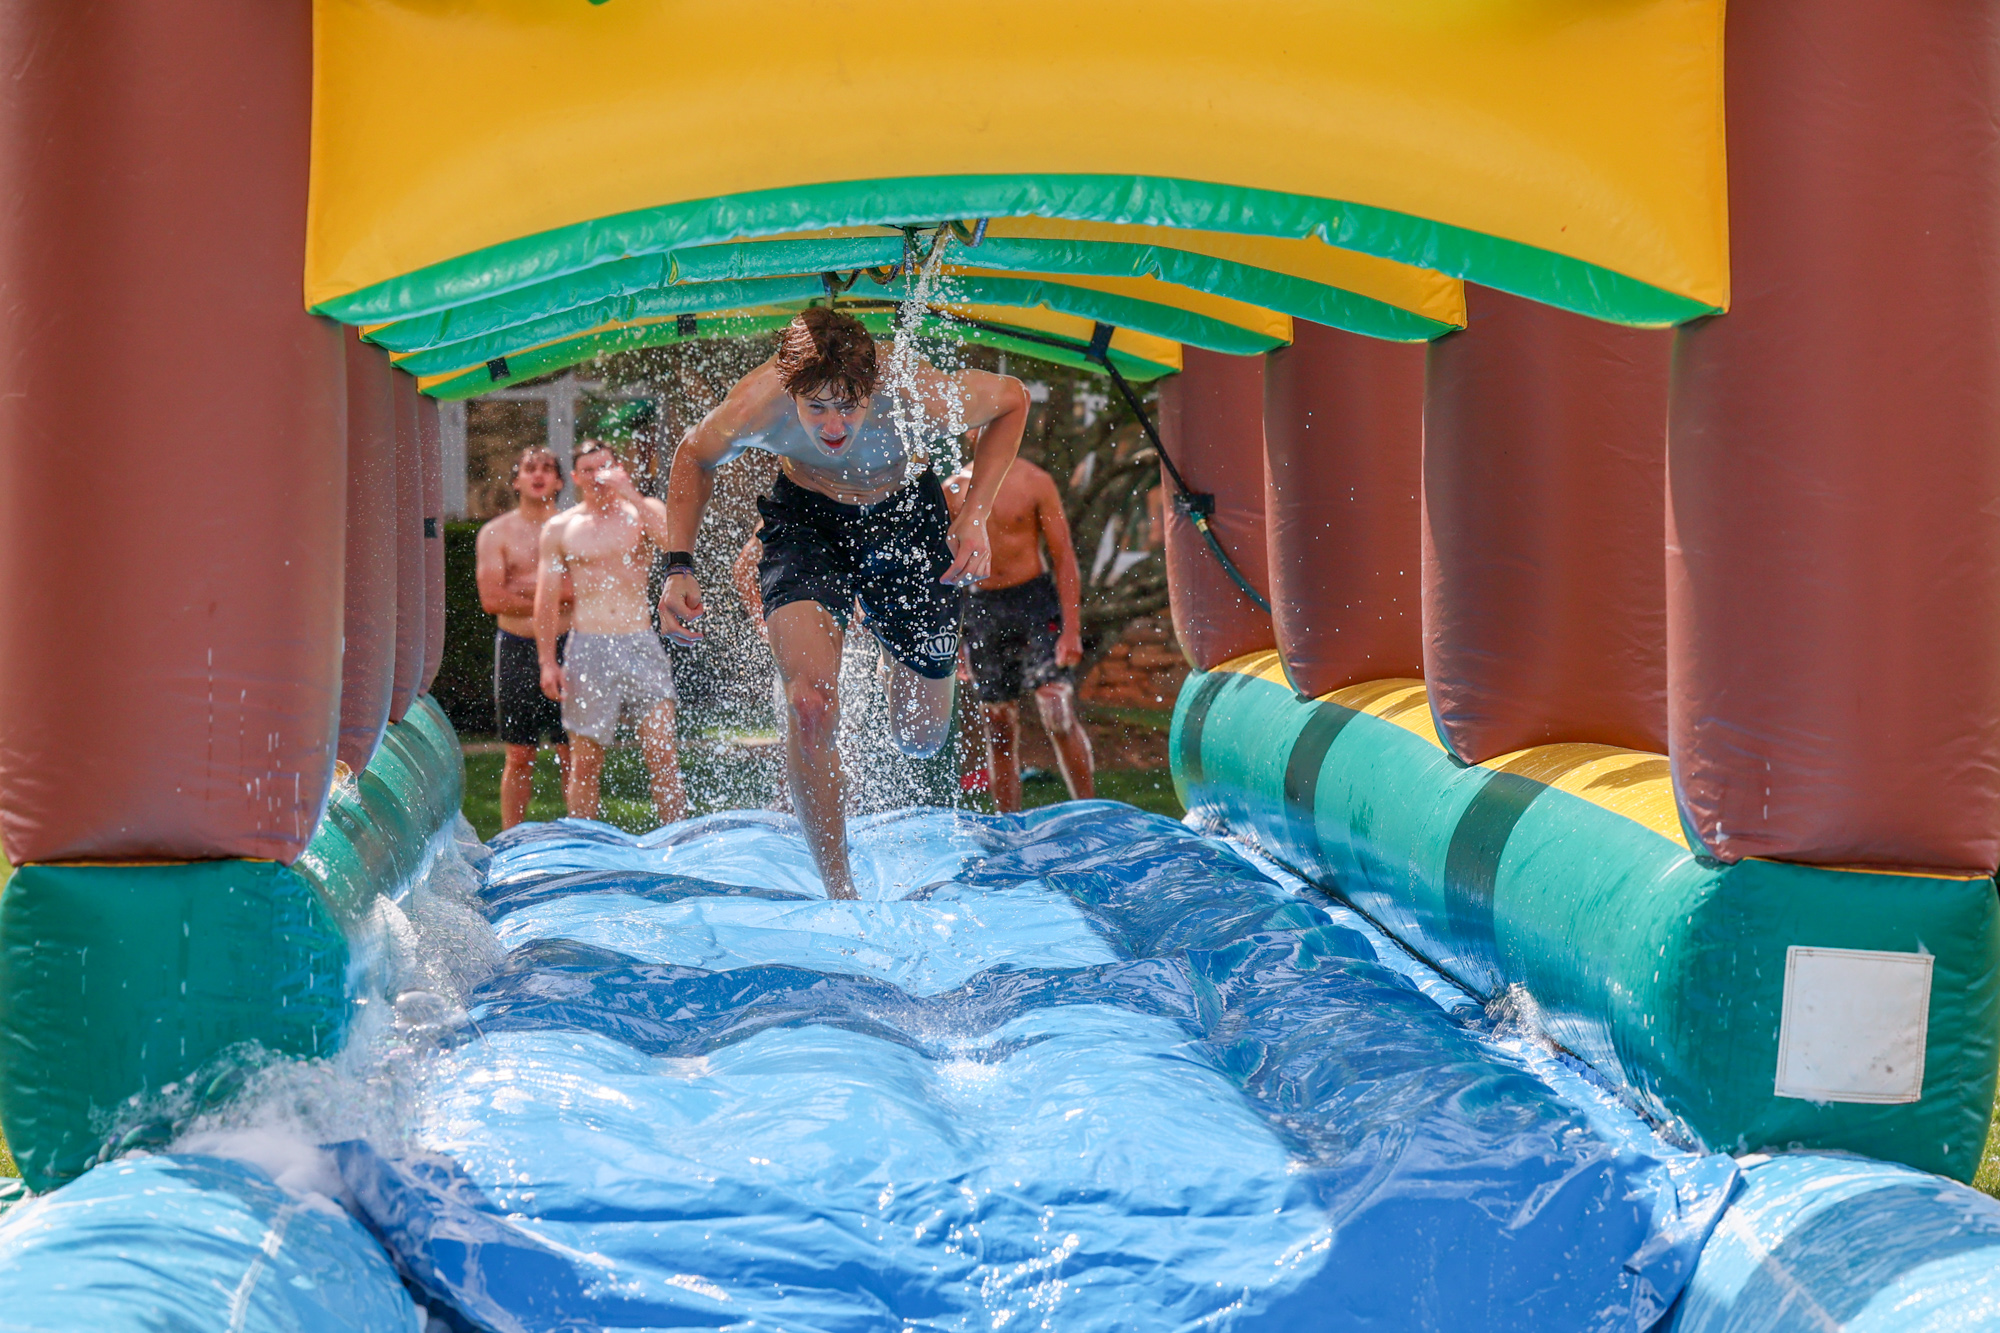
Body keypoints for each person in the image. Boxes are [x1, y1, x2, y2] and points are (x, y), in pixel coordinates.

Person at [662, 307, 1028, 898]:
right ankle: (841, 892)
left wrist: (976, 514)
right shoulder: (758, 404)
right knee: (809, 706)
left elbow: (1012, 400)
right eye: (817, 408)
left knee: (920, 738)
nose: (834, 425)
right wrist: (679, 565)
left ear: (871, 387)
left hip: (907, 519)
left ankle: (888, 646)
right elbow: (693, 454)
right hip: (807, 523)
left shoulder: (914, 389)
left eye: (850, 406)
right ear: (792, 391)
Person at [535, 440, 687, 825]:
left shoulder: (643, 511)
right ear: (575, 478)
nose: (597, 477)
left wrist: (630, 494)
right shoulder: (561, 528)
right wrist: (547, 662)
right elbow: (546, 599)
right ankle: (584, 842)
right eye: (588, 470)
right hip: (588, 647)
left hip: (639, 642)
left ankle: (678, 837)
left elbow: (674, 547)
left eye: (604, 468)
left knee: (663, 753)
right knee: (586, 762)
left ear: (618, 469)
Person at [945, 454, 1095, 812]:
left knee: (1056, 707)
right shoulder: (953, 489)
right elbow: (947, 570)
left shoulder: (1035, 481)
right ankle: (1007, 824)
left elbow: (1064, 557)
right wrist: (955, 639)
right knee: (997, 723)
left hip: (1034, 602)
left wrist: (1071, 630)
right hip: (982, 607)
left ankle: (1091, 812)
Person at [475, 447, 570, 830]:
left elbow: (584, 590)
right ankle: (509, 837)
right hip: (516, 648)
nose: (538, 475)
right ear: (516, 481)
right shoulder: (495, 533)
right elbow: (492, 598)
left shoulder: (573, 528)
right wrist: (550, 595)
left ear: (560, 481)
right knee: (518, 754)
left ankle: (585, 835)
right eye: (530, 468)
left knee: (574, 753)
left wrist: (523, 588)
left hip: (568, 645)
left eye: (547, 468)